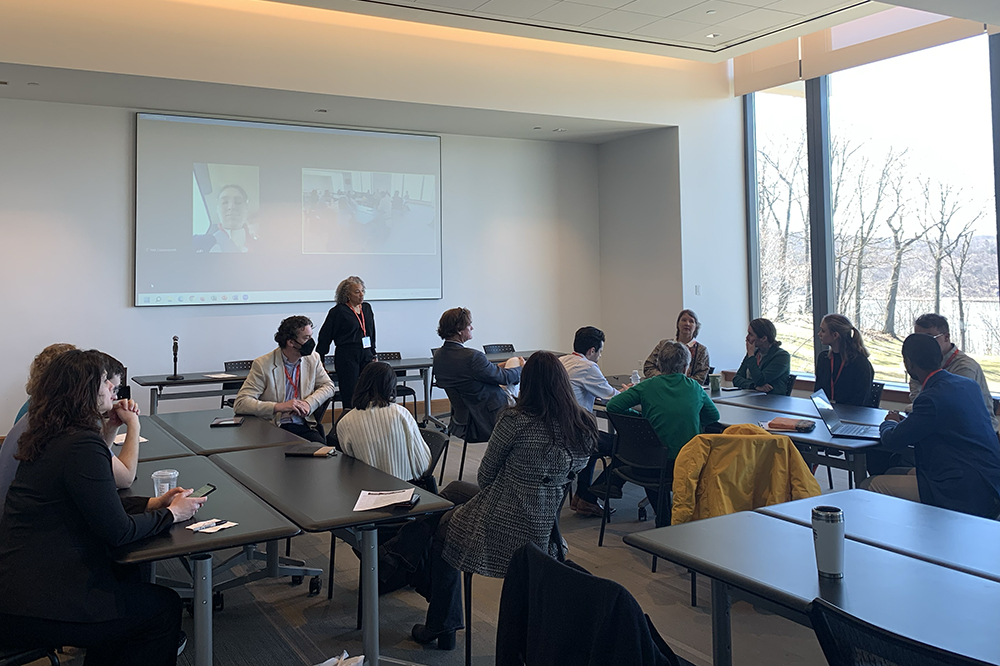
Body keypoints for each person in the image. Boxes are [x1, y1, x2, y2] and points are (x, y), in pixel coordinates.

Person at [0, 349, 206, 665]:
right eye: (106, 385)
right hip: (39, 604)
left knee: (126, 574)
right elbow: (117, 531)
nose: (113, 390)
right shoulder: (80, 444)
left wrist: (152, 503)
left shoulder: (49, 432)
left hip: (19, 584)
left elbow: (94, 498)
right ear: (86, 391)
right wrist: (172, 513)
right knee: (163, 607)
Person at [411, 351, 596, 649]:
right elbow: (575, 471)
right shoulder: (583, 425)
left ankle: (442, 624)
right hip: (545, 522)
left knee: (442, 528)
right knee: (454, 491)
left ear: (527, 382)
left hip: (501, 516)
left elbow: (486, 477)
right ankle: (410, 543)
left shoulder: (514, 419)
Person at [860, 334, 1000, 518]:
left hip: (958, 487)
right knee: (893, 471)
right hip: (988, 480)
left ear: (908, 363)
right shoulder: (968, 385)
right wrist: (910, 423)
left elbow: (893, 441)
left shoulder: (930, 397)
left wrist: (889, 422)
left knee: (868, 485)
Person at [2, 348, 139, 503]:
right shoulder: (65, 430)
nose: (113, 394)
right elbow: (125, 478)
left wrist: (111, 426)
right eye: (105, 382)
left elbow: (95, 462)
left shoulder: (38, 414)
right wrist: (134, 423)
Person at [607, 341, 720, 525]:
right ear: (686, 366)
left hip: (648, 465)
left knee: (654, 458)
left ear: (659, 365)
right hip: (686, 464)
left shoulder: (648, 386)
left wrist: (639, 419)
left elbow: (614, 405)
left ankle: (663, 517)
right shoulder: (694, 387)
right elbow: (714, 416)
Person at [234, 315, 335, 444]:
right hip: (274, 427)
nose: (311, 342)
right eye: (306, 338)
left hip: (303, 425)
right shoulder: (263, 364)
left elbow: (328, 386)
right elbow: (241, 403)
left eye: (310, 336)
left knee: (323, 452)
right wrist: (278, 407)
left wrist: (309, 403)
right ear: (291, 342)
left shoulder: (313, 358)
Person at [559, 326, 622, 517]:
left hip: (558, 430)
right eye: (600, 351)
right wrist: (630, 392)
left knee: (594, 441)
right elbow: (613, 400)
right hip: (575, 434)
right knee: (625, 449)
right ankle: (589, 497)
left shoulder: (562, 361)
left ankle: (581, 496)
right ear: (592, 351)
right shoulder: (587, 367)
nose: (599, 356)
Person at [432, 307, 523, 437]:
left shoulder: (439, 356)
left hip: (462, 418)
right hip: (489, 414)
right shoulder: (472, 357)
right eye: (469, 325)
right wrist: (523, 368)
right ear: (459, 330)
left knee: (512, 363)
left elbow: (475, 373)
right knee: (516, 365)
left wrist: (498, 366)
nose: (472, 328)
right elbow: (503, 378)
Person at [336, 361, 431, 481]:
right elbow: (422, 463)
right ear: (391, 385)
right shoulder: (401, 413)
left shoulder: (344, 422)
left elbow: (350, 465)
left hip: (365, 490)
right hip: (406, 487)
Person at [908, 313, 998, 432]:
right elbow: (918, 399)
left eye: (929, 338)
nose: (922, 345)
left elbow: (953, 408)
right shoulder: (919, 363)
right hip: (942, 424)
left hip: (975, 433)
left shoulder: (965, 368)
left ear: (946, 337)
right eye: (918, 339)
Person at [317, 276, 376, 415]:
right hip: (347, 355)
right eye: (357, 292)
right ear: (347, 294)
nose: (361, 295)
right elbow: (325, 336)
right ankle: (349, 422)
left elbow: (372, 332)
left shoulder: (366, 308)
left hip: (366, 354)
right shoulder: (338, 311)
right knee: (350, 392)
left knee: (368, 391)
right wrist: (320, 359)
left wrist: (373, 353)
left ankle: (368, 422)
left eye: (362, 291)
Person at [813, 314, 874, 406]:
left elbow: (860, 399)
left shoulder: (860, 363)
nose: (819, 334)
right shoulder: (823, 358)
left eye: (823, 331)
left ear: (835, 335)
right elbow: (818, 392)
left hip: (852, 415)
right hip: (827, 412)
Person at [643, 309, 711, 384]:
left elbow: (701, 377)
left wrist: (679, 383)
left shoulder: (701, 350)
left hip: (686, 390)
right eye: (684, 320)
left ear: (696, 326)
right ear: (678, 324)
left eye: (691, 321)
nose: (687, 324)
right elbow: (648, 366)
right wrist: (664, 379)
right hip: (661, 387)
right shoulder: (663, 345)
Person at [732, 318, 791, 395]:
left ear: (763, 338)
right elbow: (736, 379)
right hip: (751, 398)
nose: (747, 338)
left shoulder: (782, 356)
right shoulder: (755, 353)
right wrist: (754, 386)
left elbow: (760, 380)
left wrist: (751, 355)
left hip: (772, 401)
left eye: (751, 334)